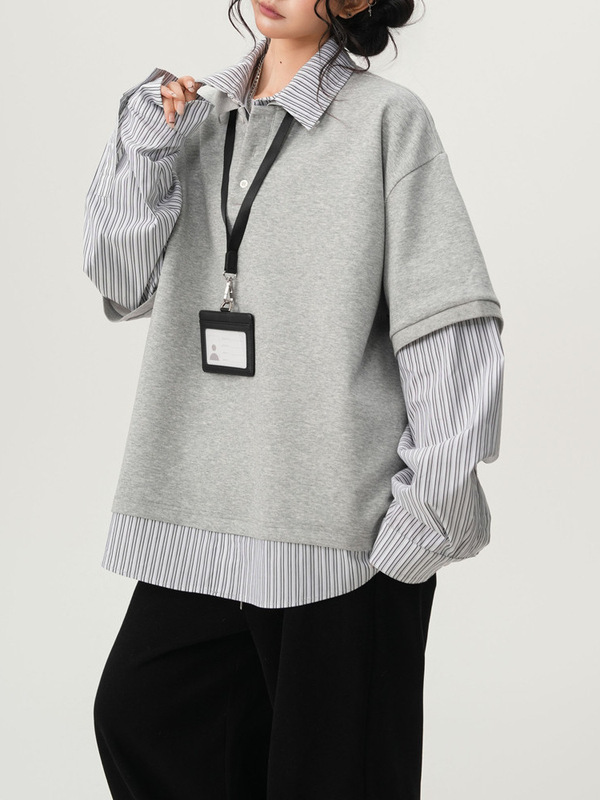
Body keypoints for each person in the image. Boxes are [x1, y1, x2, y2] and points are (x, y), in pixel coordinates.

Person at [83, 1, 505, 798]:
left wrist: (423, 522)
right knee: (143, 718)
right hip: (206, 512)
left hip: (341, 531)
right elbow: (122, 282)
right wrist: (146, 148)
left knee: (331, 779)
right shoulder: (190, 118)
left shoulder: (387, 120)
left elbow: (446, 318)